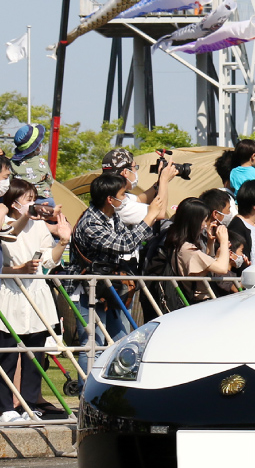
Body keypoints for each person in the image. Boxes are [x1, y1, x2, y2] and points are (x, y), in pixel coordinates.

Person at [67, 166, 173, 383]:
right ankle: (86, 397)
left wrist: (151, 218)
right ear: (109, 199)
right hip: (88, 289)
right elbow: (122, 244)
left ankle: (117, 392)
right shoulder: (91, 222)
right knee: (93, 346)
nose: (125, 199)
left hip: (109, 288)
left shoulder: (112, 217)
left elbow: (134, 237)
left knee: (122, 340)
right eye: (122, 195)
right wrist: (149, 215)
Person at [0, 178, 72, 422]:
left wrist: (62, 241)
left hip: (37, 295)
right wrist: (19, 269)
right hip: (10, 295)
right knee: (7, 355)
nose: (34, 205)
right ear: (12, 201)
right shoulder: (5, 224)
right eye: (28, 200)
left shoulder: (40, 226)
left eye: (34, 199)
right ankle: (5, 408)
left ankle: (29, 405)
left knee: (35, 355)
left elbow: (48, 263)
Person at [163, 199, 230, 304]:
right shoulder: (187, 249)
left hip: (201, 300)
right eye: (204, 221)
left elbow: (207, 268)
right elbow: (222, 268)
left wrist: (210, 243)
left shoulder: (178, 244)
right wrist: (224, 241)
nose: (205, 225)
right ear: (194, 222)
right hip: (201, 301)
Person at [9, 124, 54, 205]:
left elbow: (9, 183)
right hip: (45, 200)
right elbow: (50, 182)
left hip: (23, 201)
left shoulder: (12, 163)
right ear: (36, 146)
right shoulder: (42, 161)